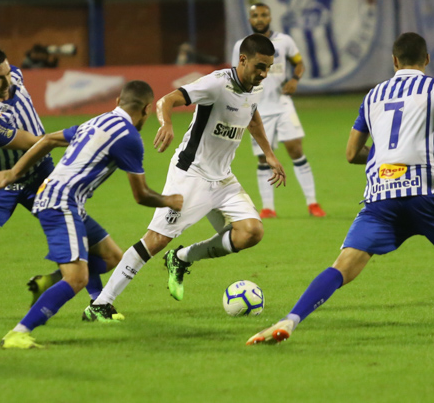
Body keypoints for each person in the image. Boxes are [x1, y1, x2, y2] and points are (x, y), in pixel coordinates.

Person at [249, 32, 434, 345]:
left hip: (380, 195)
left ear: (394, 61)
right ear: (427, 59)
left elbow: (352, 153)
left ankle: (290, 320)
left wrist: (384, 160)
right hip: (424, 192)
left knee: (343, 266)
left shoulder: (373, 95)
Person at [86, 34, 286, 319]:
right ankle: (100, 303)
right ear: (242, 60)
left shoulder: (253, 87)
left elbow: (251, 115)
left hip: (223, 179)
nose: (264, 74)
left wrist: (269, 154)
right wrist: (166, 123)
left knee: (251, 233)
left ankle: (180, 259)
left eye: (268, 68)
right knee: (155, 240)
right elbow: (166, 100)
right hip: (191, 174)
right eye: (260, 67)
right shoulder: (216, 83)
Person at [0, 44, 123, 321]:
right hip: (1, 179)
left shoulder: (14, 76)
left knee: (82, 239)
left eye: (7, 73)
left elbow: (35, 149)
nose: (7, 82)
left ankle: (98, 302)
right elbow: (36, 143)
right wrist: (84, 136)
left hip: (40, 175)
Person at [0, 81, 183, 349]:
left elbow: (50, 139)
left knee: (112, 256)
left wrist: (13, 173)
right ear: (147, 109)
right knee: (77, 278)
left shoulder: (97, 122)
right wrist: (171, 200)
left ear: (117, 101)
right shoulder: (129, 137)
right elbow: (142, 195)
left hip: (60, 199)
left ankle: (49, 282)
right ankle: (19, 332)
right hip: (61, 203)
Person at [232, 3, 326, 219]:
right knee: (263, 159)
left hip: (283, 105)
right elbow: (235, 74)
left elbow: (299, 64)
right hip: (257, 110)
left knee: (296, 150)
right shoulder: (241, 46)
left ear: (270, 17)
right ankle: (268, 208)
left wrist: (295, 79)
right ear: (250, 20)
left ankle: (313, 204)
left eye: (263, 14)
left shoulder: (284, 41)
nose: (259, 19)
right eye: (255, 15)